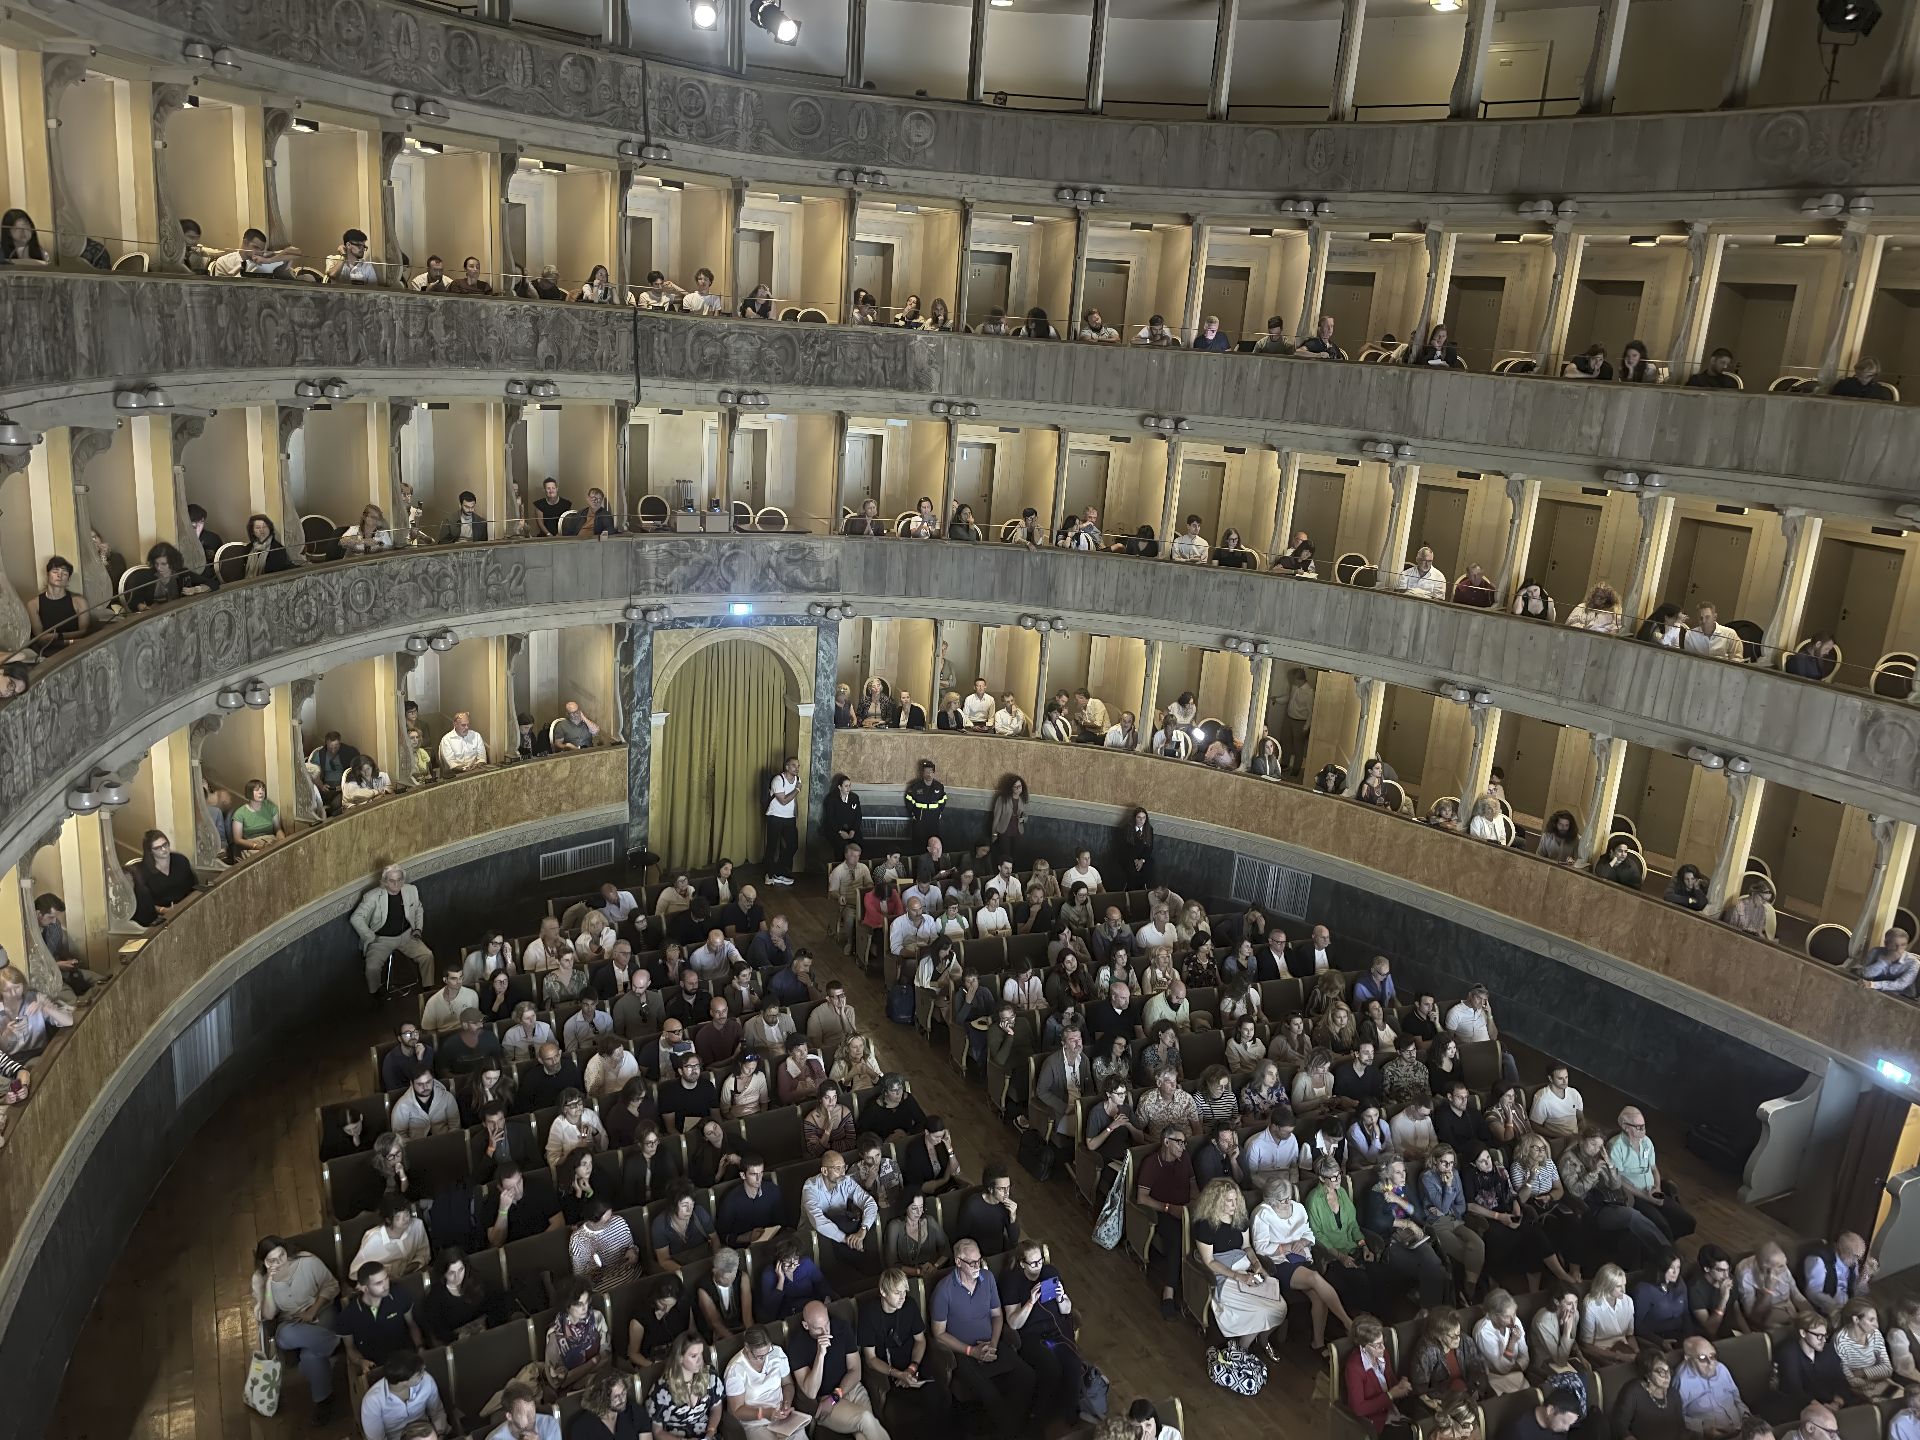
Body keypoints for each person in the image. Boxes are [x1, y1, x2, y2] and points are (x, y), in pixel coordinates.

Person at [859, 1268, 950, 1431]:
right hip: (887, 1372)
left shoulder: (909, 1305)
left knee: (941, 1397)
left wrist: (911, 1368)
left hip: (913, 1364)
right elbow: (870, 1359)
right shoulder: (869, 1314)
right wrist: (899, 1374)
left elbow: (920, 1340)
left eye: (904, 1292)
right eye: (897, 1293)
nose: (902, 1297)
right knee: (903, 1413)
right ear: (883, 1292)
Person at [645, 1334, 726, 1440]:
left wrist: (710, 1431)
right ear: (680, 1358)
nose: (700, 1360)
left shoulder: (709, 1376)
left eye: (701, 1354)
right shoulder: (662, 1390)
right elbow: (657, 1432)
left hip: (706, 1435)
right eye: (693, 1356)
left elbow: (716, 1407)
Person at [359, 1350, 448, 1439]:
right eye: (419, 1373)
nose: (423, 1374)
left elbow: (437, 1411)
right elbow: (376, 1438)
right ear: (404, 1381)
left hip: (426, 1433)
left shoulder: (426, 1380)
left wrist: (440, 1433)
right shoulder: (372, 1401)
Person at [1581, 1264, 1640, 1365]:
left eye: (1624, 1285)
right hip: (1601, 1354)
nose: (1624, 1290)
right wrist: (1618, 1356)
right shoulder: (1591, 1304)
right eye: (1619, 1286)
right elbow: (1586, 1345)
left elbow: (1630, 1335)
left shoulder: (1628, 1301)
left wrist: (1638, 1354)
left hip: (1624, 1349)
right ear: (1606, 1286)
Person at [1831, 357, 1895, 400]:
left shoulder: (1880, 391)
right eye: (1860, 375)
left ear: (1874, 375)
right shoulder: (1844, 384)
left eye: (1869, 376)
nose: (1863, 379)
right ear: (1856, 372)